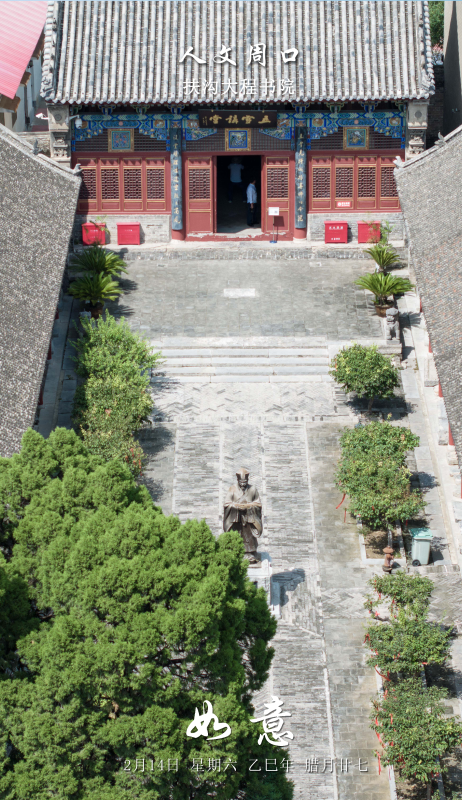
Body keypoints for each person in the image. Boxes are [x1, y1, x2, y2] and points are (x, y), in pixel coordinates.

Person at [223, 468, 262, 565]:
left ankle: (250, 553)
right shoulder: (232, 489)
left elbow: (258, 504)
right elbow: (227, 503)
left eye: (245, 482)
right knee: (237, 535)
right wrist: (236, 506)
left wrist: (248, 506)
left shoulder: (253, 489)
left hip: (249, 518)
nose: (243, 484)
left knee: (249, 536)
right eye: (241, 482)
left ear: (248, 480)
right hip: (236, 519)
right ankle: (236, 551)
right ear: (238, 480)